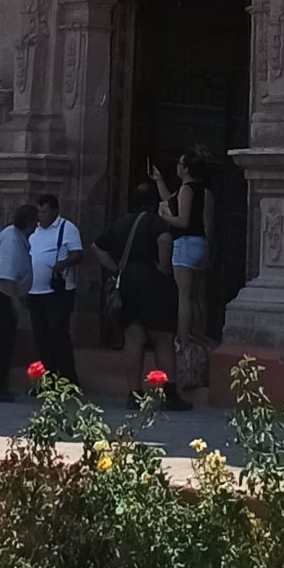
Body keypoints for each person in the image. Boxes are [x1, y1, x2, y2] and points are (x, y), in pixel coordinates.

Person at [95, 179, 176, 400]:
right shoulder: (154, 221)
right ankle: (168, 392)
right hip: (153, 283)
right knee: (163, 338)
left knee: (133, 338)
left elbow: (97, 246)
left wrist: (116, 267)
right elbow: (165, 241)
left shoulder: (121, 223)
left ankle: (134, 392)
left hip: (128, 282)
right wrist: (165, 267)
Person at [156, 153, 213, 388]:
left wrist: (165, 216)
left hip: (186, 244)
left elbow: (183, 220)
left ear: (186, 168)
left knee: (184, 297)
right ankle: (200, 338)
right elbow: (208, 224)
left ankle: (183, 342)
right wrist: (159, 181)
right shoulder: (207, 192)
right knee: (199, 296)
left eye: (180, 163)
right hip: (201, 244)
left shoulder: (187, 190)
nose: (177, 167)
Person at [0, 200, 37, 401]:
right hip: (0, 296)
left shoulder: (12, 236)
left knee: (3, 341)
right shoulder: (12, 240)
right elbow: (5, 276)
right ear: (30, 223)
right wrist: (15, 302)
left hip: (1, 295)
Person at [28, 192, 83, 385]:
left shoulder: (66, 228)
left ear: (54, 211)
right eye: (39, 211)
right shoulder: (33, 231)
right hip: (34, 291)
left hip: (58, 292)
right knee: (40, 335)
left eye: (44, 212)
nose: (40, 215)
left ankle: (68, 378)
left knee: (58, 333)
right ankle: (47, 377)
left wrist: (63, 263)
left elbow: (78, 253)